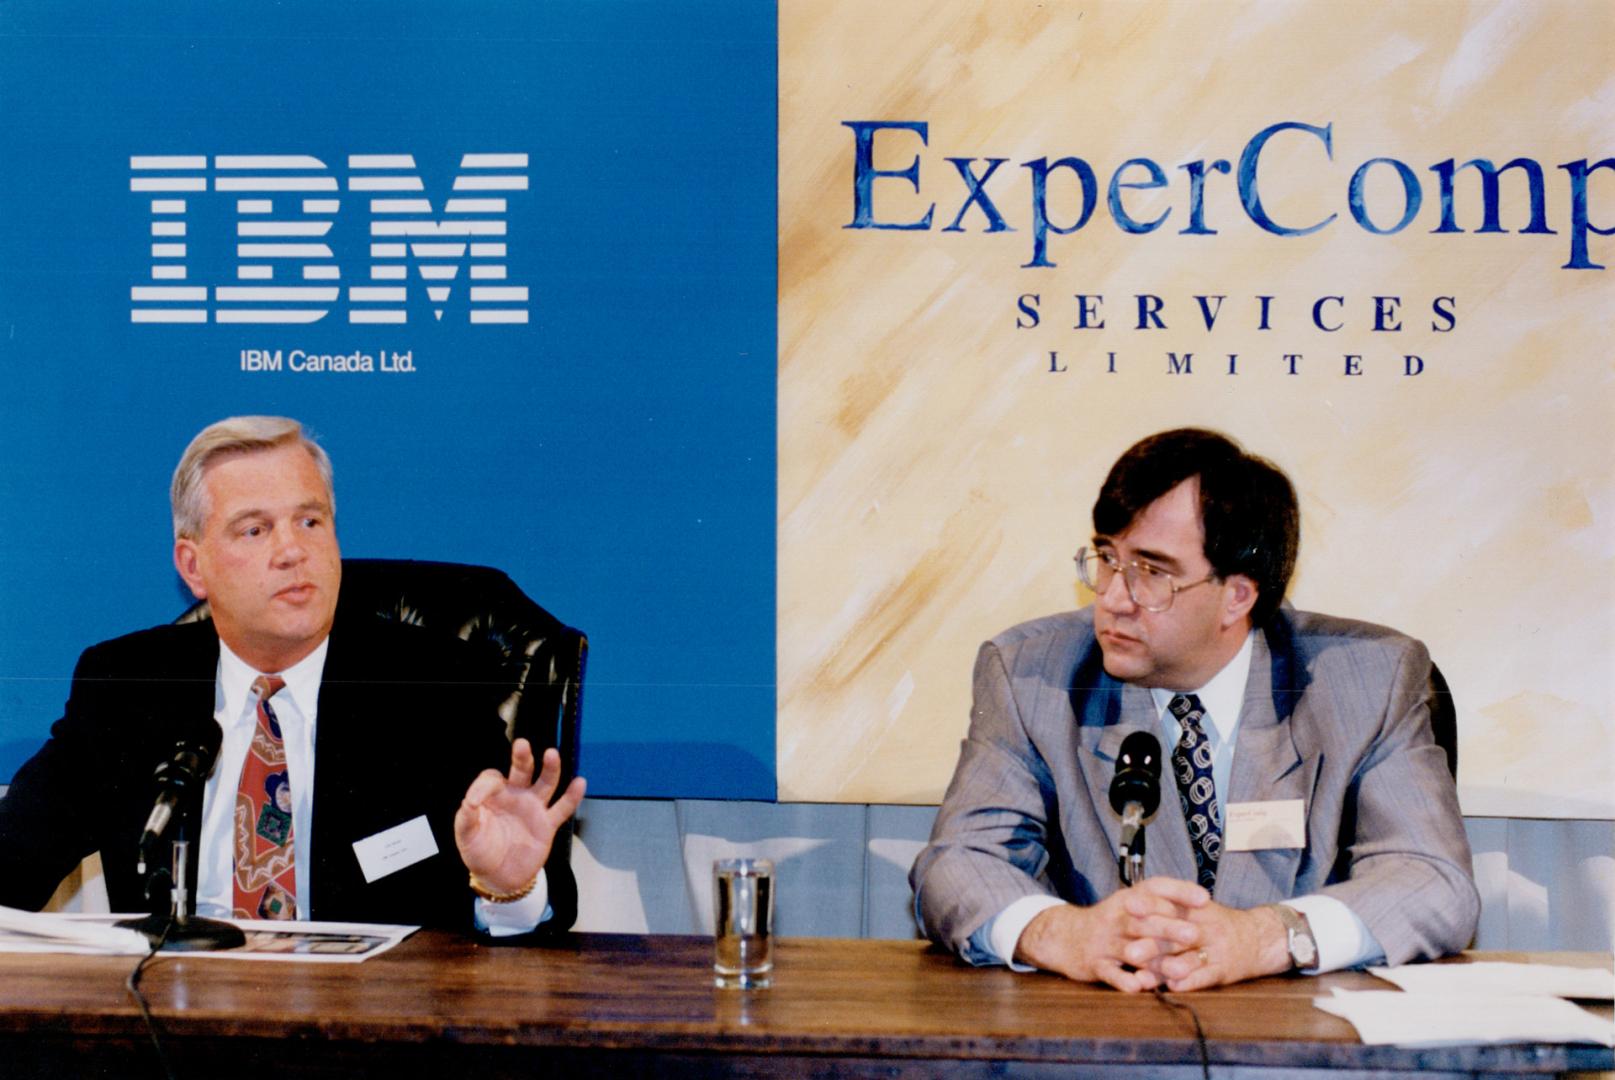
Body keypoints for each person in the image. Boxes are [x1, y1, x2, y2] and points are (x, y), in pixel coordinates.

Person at [910, 428, 1478, 992]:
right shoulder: (1034, 674)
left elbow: (1431, 880)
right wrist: (1063, 933)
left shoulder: (1367, 682)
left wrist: (1267, 937)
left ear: (1237, 595)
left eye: (1152, 572)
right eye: (1108, 557)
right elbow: (957, 862)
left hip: (1305, 1049)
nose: (1110, 598)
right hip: (1106, 1042)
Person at [0, 416, 584, 936]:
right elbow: (12, 864)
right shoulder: (128, 687)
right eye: (254, 529)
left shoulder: (434, 685)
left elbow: (532, 911)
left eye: (310, 520)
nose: (292, 551)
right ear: (192, 565)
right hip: (171, 1035)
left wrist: (508, 888)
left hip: (372, 1038)